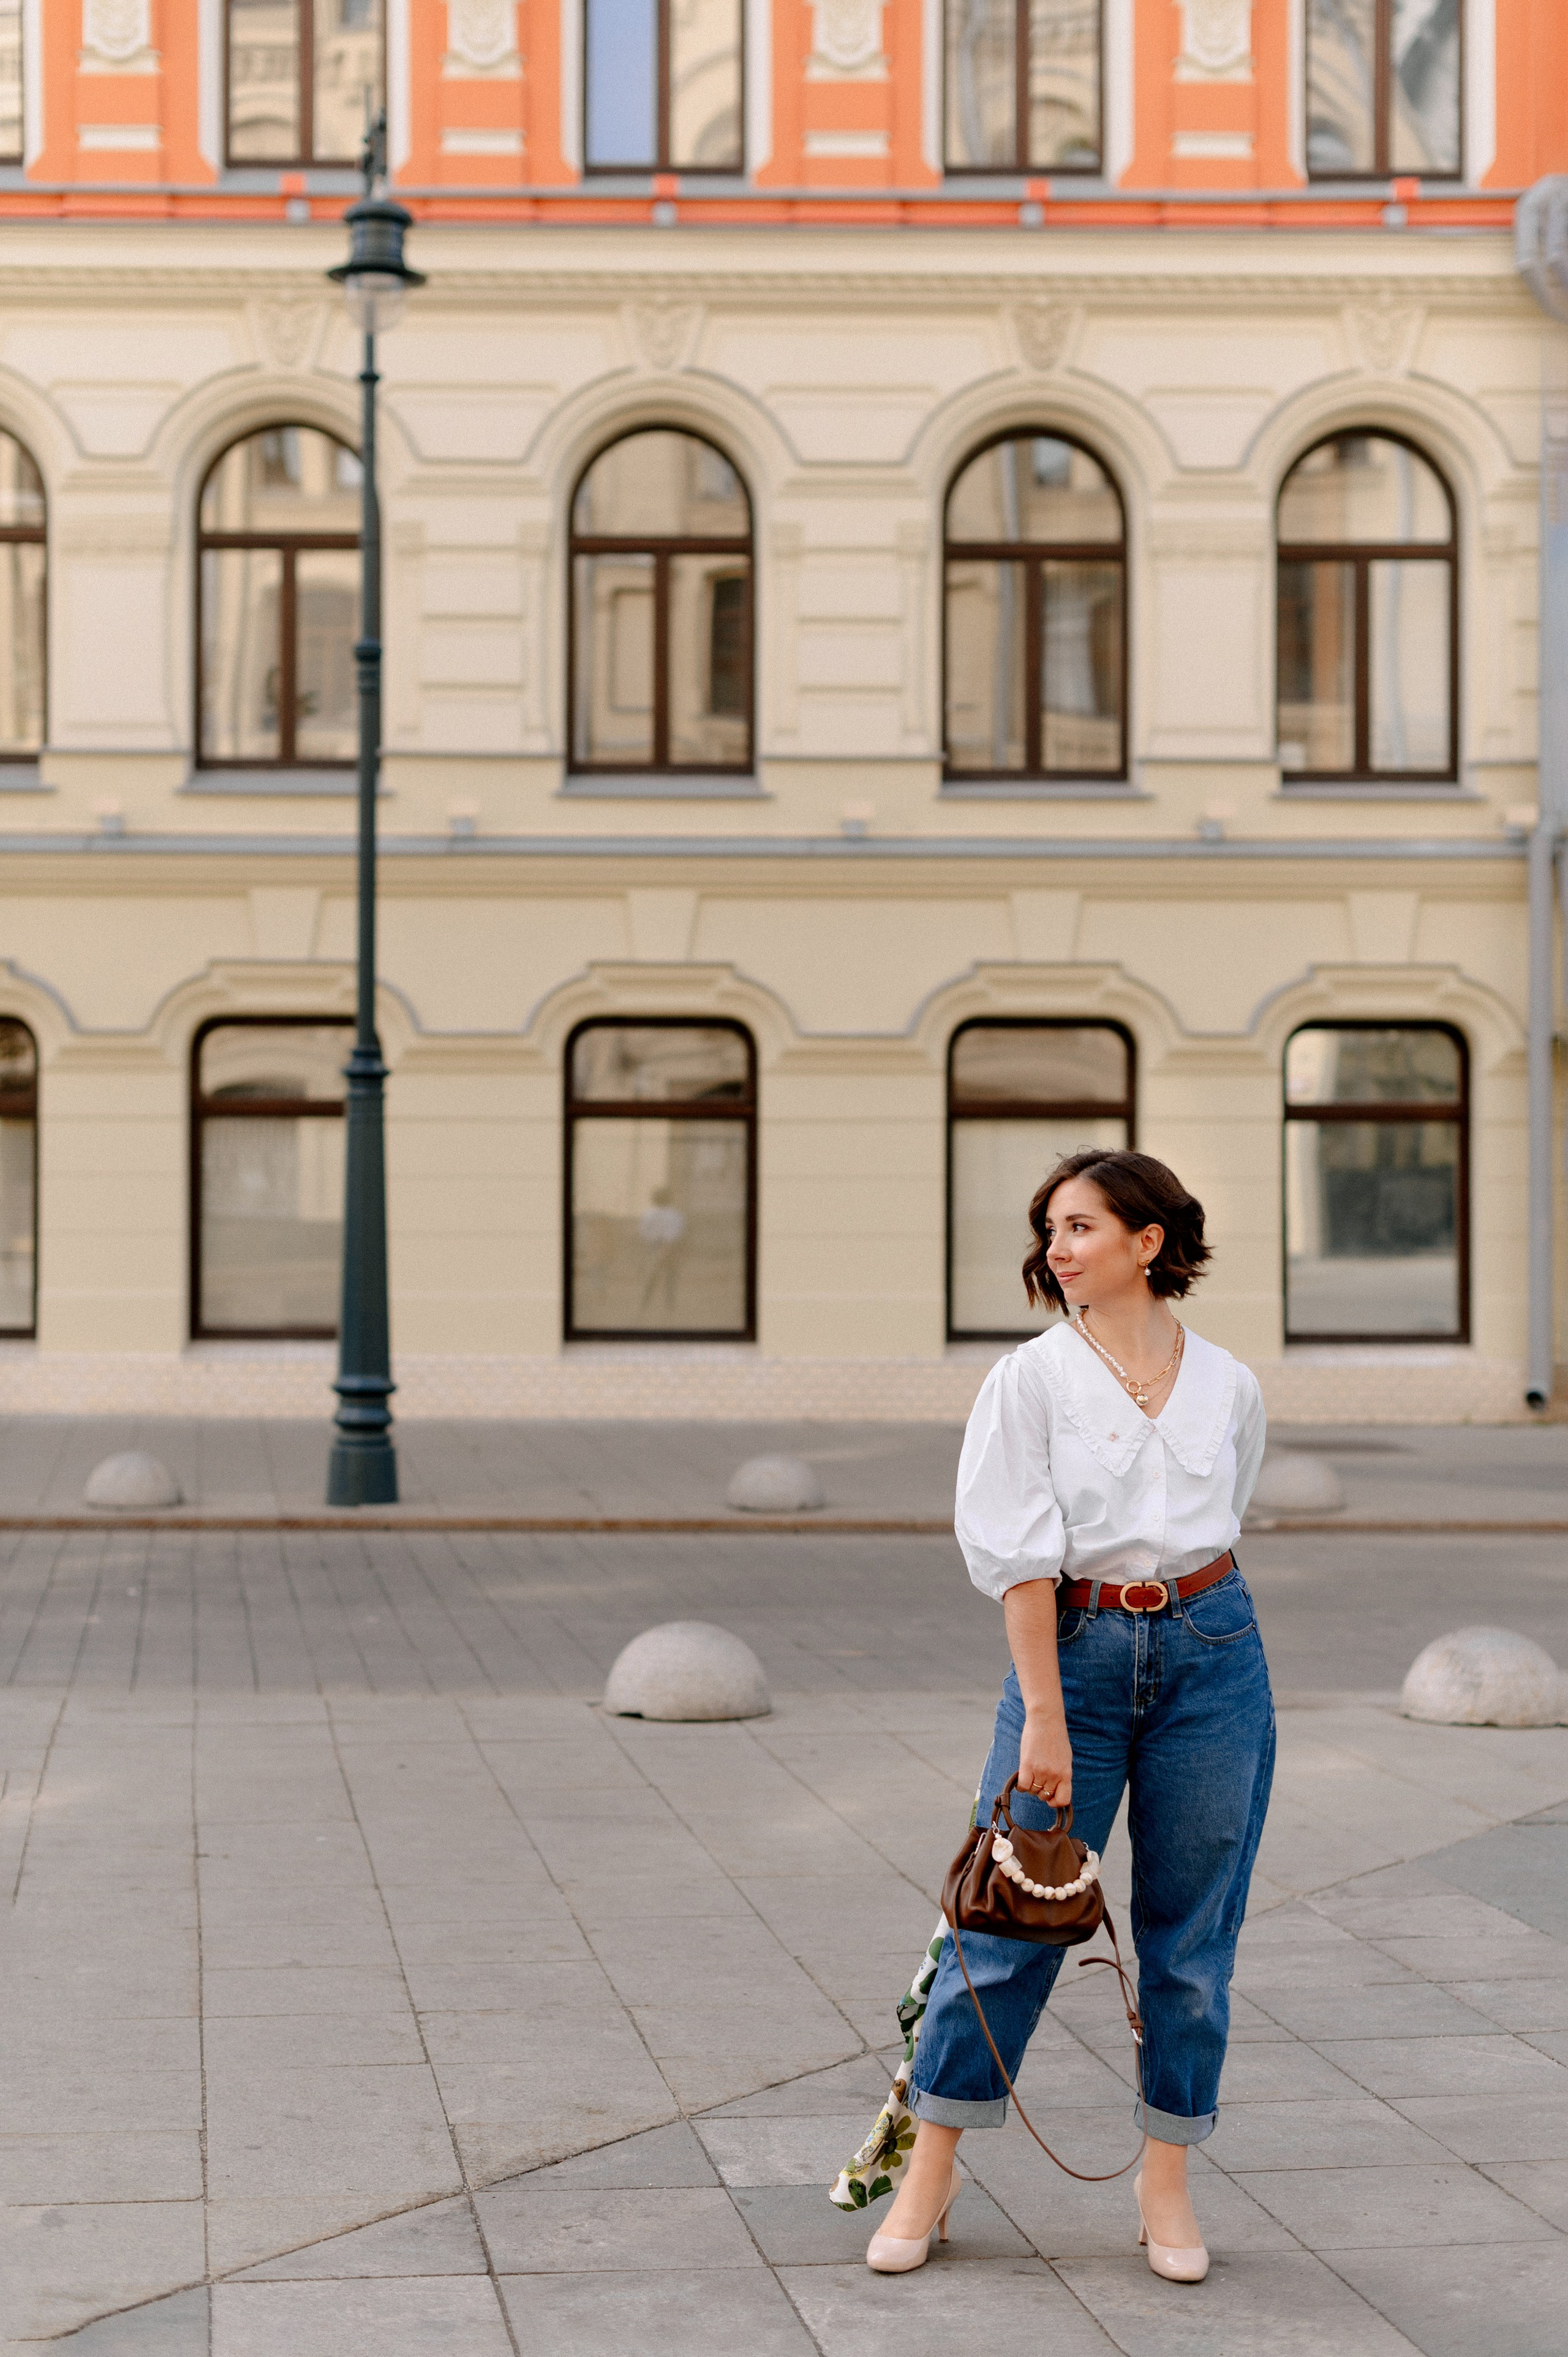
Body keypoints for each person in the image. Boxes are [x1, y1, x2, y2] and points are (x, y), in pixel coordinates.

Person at [865, 1147, 1273, 2284]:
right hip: (1073, 1660)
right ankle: (929, 2173)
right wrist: (1044, 1716)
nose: (1057, 1245)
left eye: (1083, 1225)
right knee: (1003, 1926)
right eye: (1051, 1227)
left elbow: (1222, 1514)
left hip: (1213, 1650)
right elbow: (1021, 1563)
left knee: (1193, 1946)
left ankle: (1166, 2185)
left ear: (1149, 1243)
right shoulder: (1030, 1381)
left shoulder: (1229, 1382)